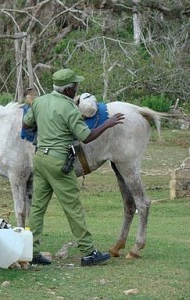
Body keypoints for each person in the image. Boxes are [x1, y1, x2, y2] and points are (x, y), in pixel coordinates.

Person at [22, 68, 125, 266]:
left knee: (37, 207)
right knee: (73, 207)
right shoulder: (69, 108)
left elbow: (26, 125)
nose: (77, 88)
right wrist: (108, 124)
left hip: (40, 160)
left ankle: (32, 251)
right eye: (75, 86)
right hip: (59, 162)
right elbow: (86, 136)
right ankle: (88, 253)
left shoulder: (39, 102)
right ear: (68, 89)